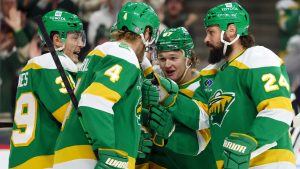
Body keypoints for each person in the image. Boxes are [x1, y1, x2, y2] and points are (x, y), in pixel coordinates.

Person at [143, 2, 296, 169]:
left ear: (231, 31)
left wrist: (251, 140)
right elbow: (200, 118)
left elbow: (280, 111)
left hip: (269, 163)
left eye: (211, 33)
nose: (206, 39)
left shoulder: (258, 57)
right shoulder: (211, 74)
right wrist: (166, 98)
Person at [53, 2, 160, 169]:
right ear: (146, 32)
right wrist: (109, 152)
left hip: (73, 154)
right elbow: (93, 102)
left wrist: (130, 137)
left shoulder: (102, 51)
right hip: (88, 158)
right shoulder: (124, 55)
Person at [8, 10, 85, 169]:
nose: (81, 43)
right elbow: (71, 117)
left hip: (28, 160)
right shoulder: (49, 65)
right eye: (75, 37)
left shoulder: (39, 66)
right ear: (57, 40)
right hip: (41, 161)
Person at [137, 27, 217, 169]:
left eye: (173, 58)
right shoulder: (155, 77)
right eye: (162, 58)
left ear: (189, 57)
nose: (167, 65)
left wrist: (170, 132)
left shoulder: (207, 86)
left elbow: (199, 143)